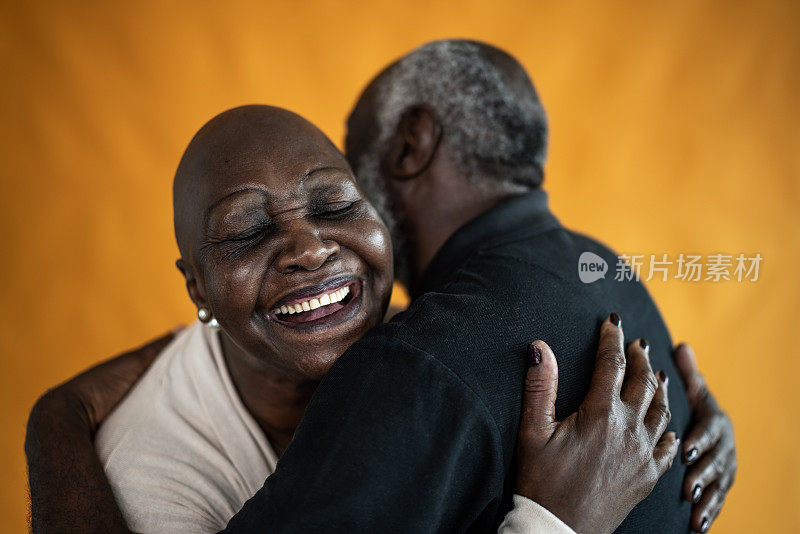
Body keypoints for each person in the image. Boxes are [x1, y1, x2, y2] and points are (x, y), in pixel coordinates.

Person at [27, 40, 737, 533]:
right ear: (198, 289)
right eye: (245, 231)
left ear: (407, 148)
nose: (310, 248)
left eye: (338, 201)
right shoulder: (599, 269)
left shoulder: (416, 356)